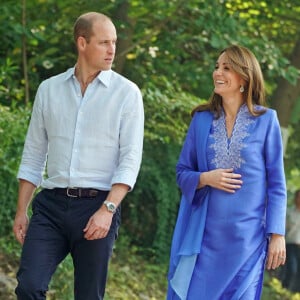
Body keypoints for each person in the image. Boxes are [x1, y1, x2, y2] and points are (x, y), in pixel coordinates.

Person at [12, 12, 144, 300]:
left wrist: (107, 210)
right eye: (104, 42)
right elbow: (34, 153)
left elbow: (130, 159)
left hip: (97, 206)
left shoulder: (127, 94)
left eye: (114, 42)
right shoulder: (49, 90)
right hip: (51, 207)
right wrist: (22, 210)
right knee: (29, 286)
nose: (112, 50)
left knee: (88, 296)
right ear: (82, 43)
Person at [167, 44, 287, 299]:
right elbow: (181, 172)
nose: (217, 73)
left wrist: (277, 233)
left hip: (247, 242)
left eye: (226, 67)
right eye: (217, 66)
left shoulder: (267, 120)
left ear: (244, 77)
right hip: (204, 242)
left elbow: (277, 184)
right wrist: (204, 178)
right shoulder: (201, 120)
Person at [282, 190, 300, 291]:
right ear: (295, 198)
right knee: (292, 269)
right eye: (298, 197)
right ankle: (284, 290)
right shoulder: (288, 212)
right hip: (290, 245)